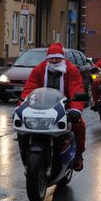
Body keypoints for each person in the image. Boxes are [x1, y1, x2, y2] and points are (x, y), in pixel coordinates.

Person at [20, 42, 86, 171]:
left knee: (79, 125)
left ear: (63, 58)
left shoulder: (71, 70)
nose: (54, 61)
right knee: (23, 128)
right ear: (47, 58)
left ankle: (78, 154)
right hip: (41, 107)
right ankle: (26, 154)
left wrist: (76, 109)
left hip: (65, 108)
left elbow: (76, 88)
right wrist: (23, 104)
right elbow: (29, 87)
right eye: (51, 58)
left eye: (57, 58)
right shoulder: (39, 69)